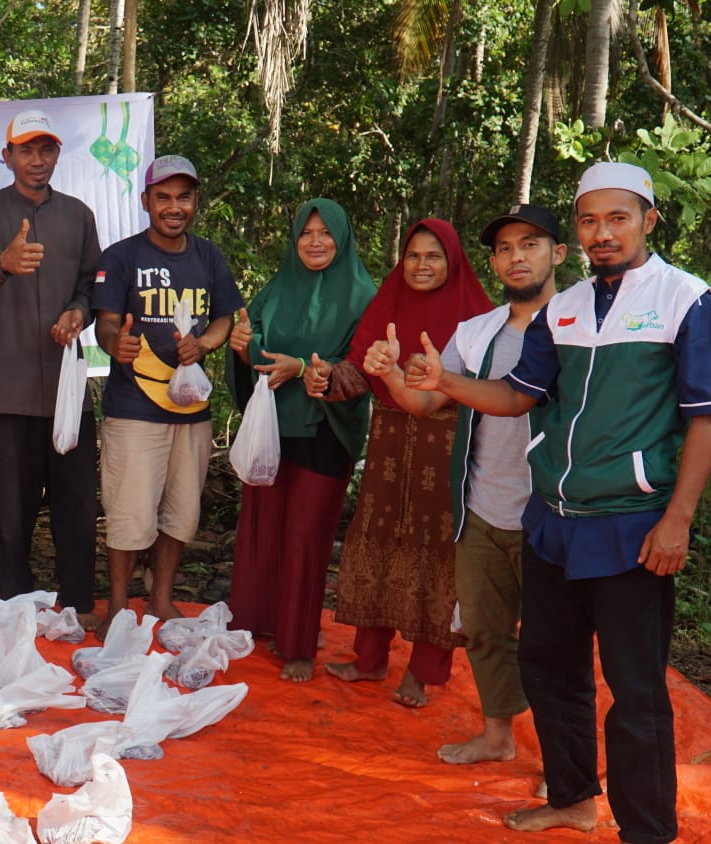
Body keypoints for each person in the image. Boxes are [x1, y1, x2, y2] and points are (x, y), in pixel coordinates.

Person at [410, 162, 711, 841]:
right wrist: (447, 381)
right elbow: (518, 396)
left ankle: (648, 830)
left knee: (635, 691)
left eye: (617, 218)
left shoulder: (687, 299)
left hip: (632, 525)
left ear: (648, 219)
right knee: (549, 667)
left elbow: (706, 418)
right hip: (551, 523)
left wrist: (677, 522)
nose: (602, 233)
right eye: (589, 220)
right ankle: (573, 798)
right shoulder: (566, 307)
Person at [364, 205, 565, 761]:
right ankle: (498, 736)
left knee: (552, 644)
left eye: (529, 244)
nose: (516, 257)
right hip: (480, 505)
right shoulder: (476, 333)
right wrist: (388, 376)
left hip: (553, 510)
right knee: (485, 632)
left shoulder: (582, 328)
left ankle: (561, 764)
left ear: (558, 254)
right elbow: (427, 401)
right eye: (504, 248)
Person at [323, 219, 494, 707]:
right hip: (390, 441)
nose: (421, 266)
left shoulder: (478, 316)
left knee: (437, 550)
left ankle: (422, 672)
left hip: (446, 447)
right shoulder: (388, 301)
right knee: (378, 538)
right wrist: (327, 379)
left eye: (433, 256)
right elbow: (360, 369)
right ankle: (370, 658)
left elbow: (488, 387)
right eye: (413, 255)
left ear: (454, 261)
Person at [0, 109, 103, 627]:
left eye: (46, 150)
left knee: (78, 502)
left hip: (66, 385)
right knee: (13, 509)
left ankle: (79, 604)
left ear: (57, 154)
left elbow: (92, 283)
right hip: (8, 385)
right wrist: (3, 263)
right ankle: (16, 608)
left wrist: (78, 312)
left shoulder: (79, 216)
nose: (37, 160)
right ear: (7, 155)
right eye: (26, 150)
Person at [226, 198, 376, 682]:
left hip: (325, 430)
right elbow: (254, 337)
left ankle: (297, 644)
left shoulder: (362, 295)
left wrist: (307, 369)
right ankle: (258, 623)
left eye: (325, 233)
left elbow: (362, 362)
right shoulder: (278, 285)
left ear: (342, 238)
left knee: (306, 538)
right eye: (306, 233)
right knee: (264, 527)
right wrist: (245, 345)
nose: (315, 242)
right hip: (274, 424)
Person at [92, 155, 240, 638]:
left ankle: (160, 599)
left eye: (183, 197)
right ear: (146, 202)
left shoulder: (209, 256)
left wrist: (208, 342)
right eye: (163, 198)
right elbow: (106, 322)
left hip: (192, 410)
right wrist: (117, 343)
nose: (173, 207)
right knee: (129, 511)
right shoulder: (121, 257)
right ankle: (117, 605)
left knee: (182, 512)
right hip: (135, 408)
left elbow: (225, 317)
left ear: (194, 202)